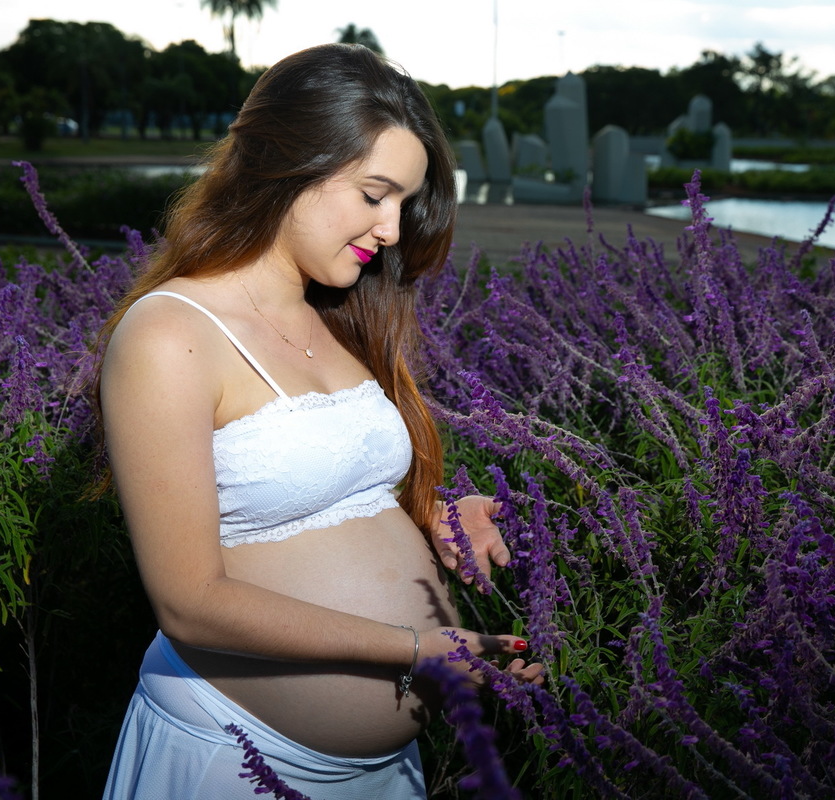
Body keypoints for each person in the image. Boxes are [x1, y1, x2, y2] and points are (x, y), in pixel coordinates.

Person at [95, 43, 543, 799]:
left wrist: (432, 515)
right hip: (232, 764)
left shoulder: (334, 311)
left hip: (381, 774)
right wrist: (417, 648)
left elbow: (326, 490)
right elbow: (189, 602)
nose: (393, 228)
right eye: (375, 193)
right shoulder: (170, 335)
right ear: (290, 162)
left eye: (403, 201)